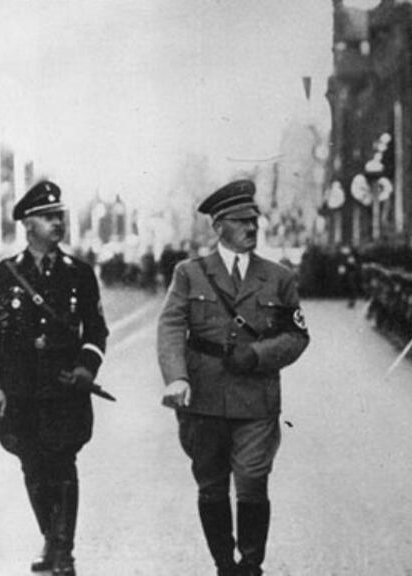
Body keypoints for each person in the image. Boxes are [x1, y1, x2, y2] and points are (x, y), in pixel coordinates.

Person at [157, 179, 310, 576]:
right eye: (242, 221)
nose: (251, 228)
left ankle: (251, 565)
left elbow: (297, 335)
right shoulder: (189, 274)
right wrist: (176, 377)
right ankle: (224, 565)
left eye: (254, 221)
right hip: (203, 397)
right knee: (210, 485)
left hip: (256, 396)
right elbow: (171, 326)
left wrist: (258, 355)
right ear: (219, 226)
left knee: (253, 480)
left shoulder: (279, 278)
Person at [0, 181, 110, 576]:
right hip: (20, 393)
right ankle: (53, 541)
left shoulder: (79, 274)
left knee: (62, 463)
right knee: (32, 467)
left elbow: (97, 331)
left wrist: (87, 367)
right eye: (49, 217)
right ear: (27, 224)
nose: (58, 223)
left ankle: (63, 552)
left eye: (60, 216)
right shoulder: (5, 275)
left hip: (64, 388)